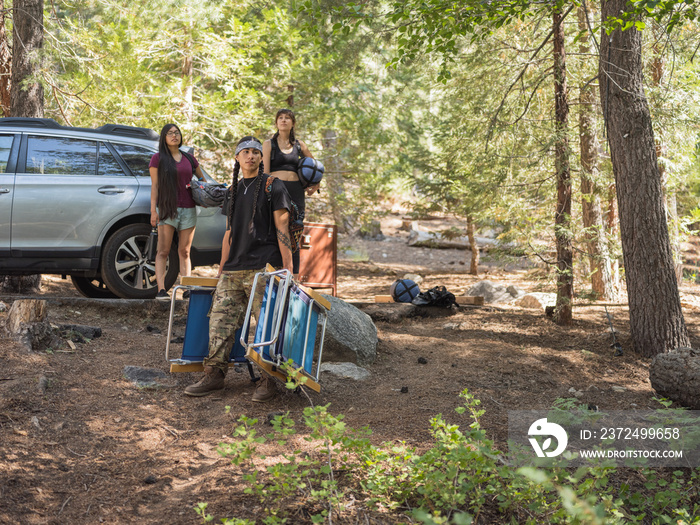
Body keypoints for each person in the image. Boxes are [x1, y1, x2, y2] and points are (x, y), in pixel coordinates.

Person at [184, 136, 294, 400]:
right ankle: (214, 375)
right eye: (245, 152)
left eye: (255, 152)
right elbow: (229, 233)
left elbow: (283, 228)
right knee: (220, 324)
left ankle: (269, 380)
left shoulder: (273, 186)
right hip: (233, 270)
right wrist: (221, 268)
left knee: (267, 327)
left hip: (264, 269)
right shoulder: (232, 191)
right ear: (237, 158)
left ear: (261, 158)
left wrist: (288, 269)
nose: (251, 156)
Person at [149, 123, 205, 301]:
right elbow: (155, 186)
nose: (174, 136)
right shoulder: (157, 159)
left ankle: (186, 288)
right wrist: (153, 211)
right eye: (170, 133)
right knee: (163, 251)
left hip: (188, 208)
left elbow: (202, 180)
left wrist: (200, 189)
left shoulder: (189, 159)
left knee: (185, 252)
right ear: (164, 137)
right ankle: (161, 290)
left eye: (177, 133)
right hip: (167, 209)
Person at [262, 108, 319, 275]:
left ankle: (293, 276)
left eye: (287, 118)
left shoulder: (299, 145)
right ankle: (271, 272)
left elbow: (315, 166)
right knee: (274, 231)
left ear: (293, 123)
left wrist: (315, 185)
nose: (284, 120)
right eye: (280, 118)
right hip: (276, 190)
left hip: (296, 191)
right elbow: (265, 172)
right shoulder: (268, 144)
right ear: (276, 122)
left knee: (295, 231)